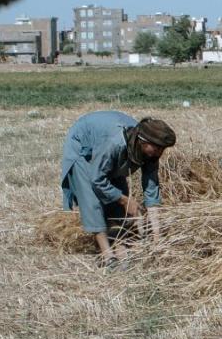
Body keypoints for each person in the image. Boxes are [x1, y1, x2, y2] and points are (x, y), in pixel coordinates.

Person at [60, 111, 176, 263]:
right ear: (142, 141)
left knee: (119, 194)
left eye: (162, 149)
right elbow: (98, 180)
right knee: (92, 199)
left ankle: (119, 246)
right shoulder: (115, 143)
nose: (159, 153)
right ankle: (107, 256)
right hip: (83, 146)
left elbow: (151, 189)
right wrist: (124, 200)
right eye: (157, 148)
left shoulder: (150, 152)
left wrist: (156, 237)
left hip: (104, 149)